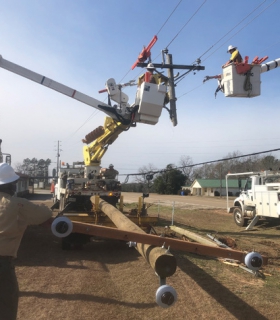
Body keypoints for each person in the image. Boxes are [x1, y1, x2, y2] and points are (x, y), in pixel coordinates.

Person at [0, 163, 53, 320]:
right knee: (6, 305)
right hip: (2, 264)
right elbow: (43, 214)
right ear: (11, 185)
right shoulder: (16, 204)